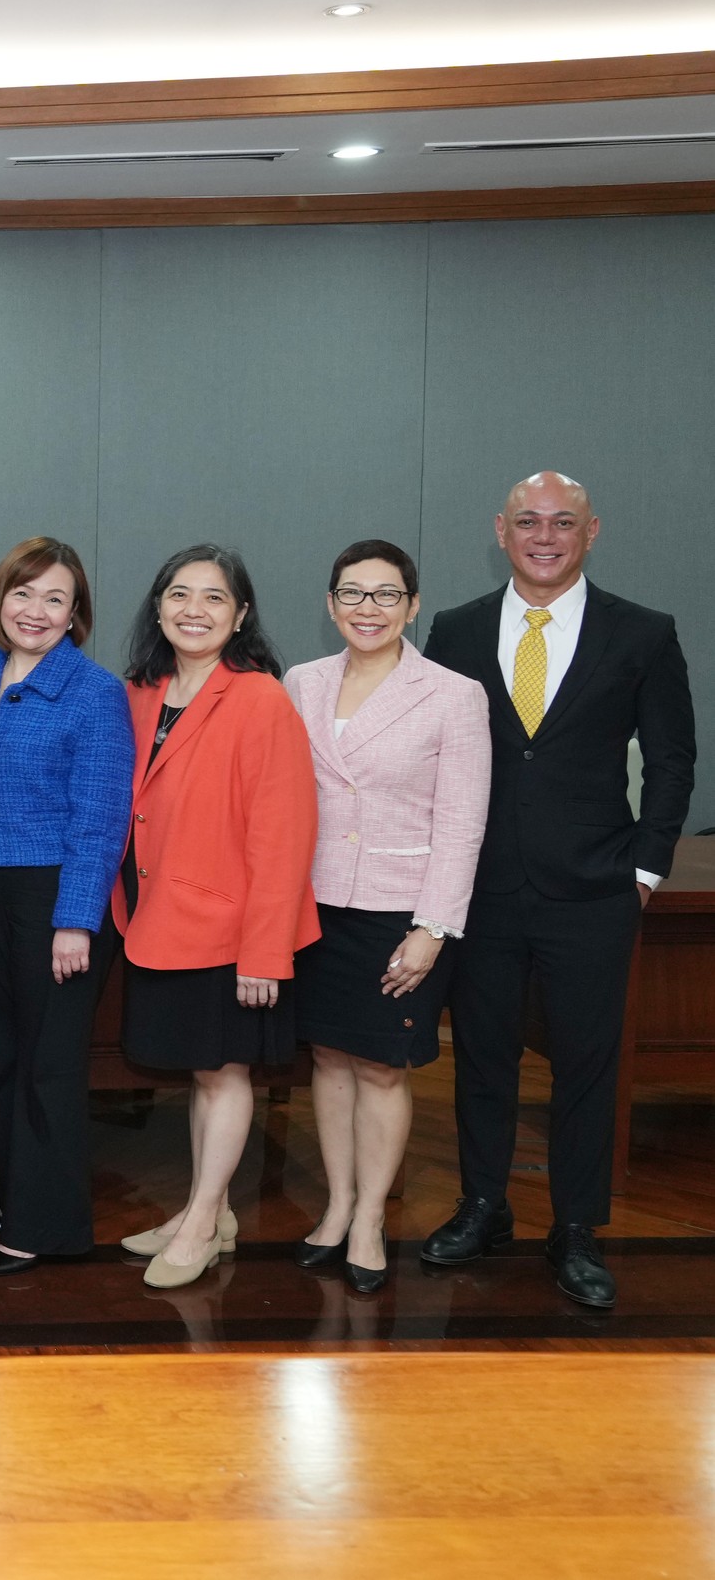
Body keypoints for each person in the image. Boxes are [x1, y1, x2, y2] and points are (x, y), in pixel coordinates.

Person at [421, 472, 695, 1309]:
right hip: (484, 888)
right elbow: (432, 754)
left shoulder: (643, 633)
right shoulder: (457, 629)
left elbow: (674, 760)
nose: (545, 536)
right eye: (529, 521)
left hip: (594, 890)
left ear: (591, 531)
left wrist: (644, 870)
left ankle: (575, 1227)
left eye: (563, 522)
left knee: (586, 1063)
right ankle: (483, 1207)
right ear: (501, 530)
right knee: (482, 1057)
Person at [283, 539, 488, 1296]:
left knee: (379, 1065)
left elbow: (463, 822)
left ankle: (371, 1216)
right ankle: (337, 1205)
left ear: (413, 605)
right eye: (352, 593)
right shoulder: (301, 682)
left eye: (386, 594)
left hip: (398, 910)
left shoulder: (452, 694)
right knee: (327, 1059)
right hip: (311, 905)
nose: (367, 608)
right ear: (330, 602)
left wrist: (433, 928)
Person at [110, 544, 318, 1291]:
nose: (193, 610)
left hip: (232, 933)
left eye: (214, 598)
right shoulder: (142, 692)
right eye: (179, 594)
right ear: (158, 605)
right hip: (157, 918)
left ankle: (200, 1223)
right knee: (204, 1073)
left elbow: (284, 833)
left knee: (225, 1075)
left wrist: (265, 952)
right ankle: (212, 1211)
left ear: (241, 614)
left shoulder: (260, 698)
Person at [0, 536, 134, 1276]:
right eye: (23, 593)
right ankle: (14, 1196)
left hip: (54, 895)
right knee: (0, 1050)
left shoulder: (94, 692)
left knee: (49, 1062)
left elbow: (101, 817)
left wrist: (76, 921)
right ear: (0, 598)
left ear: (76, 612)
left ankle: (50, 1225)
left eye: (56, 598)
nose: (36, 610)